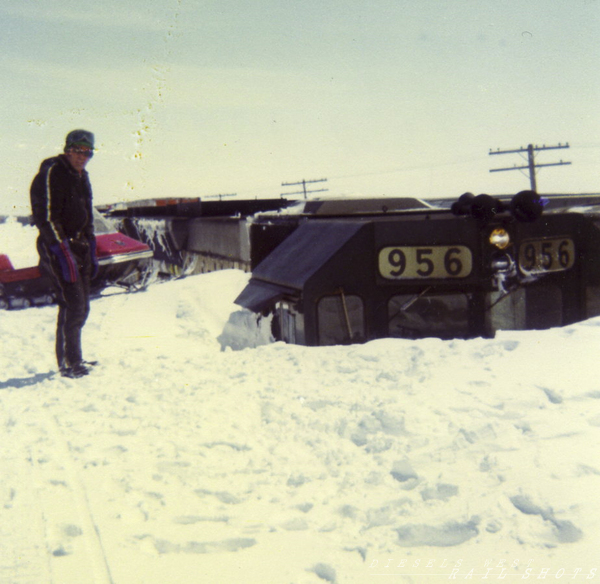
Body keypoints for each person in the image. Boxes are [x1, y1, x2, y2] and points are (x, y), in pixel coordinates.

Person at [30, 129, 99, 378]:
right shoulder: (51, 172)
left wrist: (91, 248)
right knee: (73, 304)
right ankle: (69, 362)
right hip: (57, 246)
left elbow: (88, 216)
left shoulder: (82, 176)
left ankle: (73, 358)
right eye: (78, 151)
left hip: (79, 246)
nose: (83, 156)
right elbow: (45, 217)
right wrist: (63, 251)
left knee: (81, 307)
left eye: (88, 152)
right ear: (68, 149)